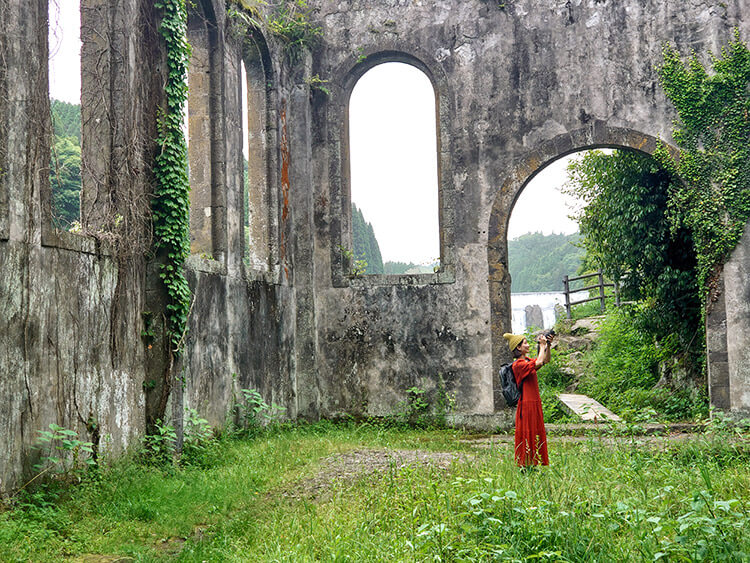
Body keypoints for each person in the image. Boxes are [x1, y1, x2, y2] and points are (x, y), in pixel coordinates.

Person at [502, 332, 552, 468]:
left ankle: (534, 463)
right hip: (527, 404)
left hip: (533, 403)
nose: (528, 345)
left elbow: (545, 361)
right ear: (518, 348)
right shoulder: (518, 365)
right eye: (525, 343)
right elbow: (540, 361)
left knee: (535, 432)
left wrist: (547, 345)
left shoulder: (528, 361)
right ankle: (526, 465)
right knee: (527, 434)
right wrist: (541, 346)